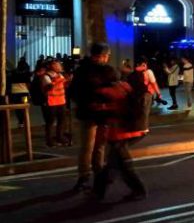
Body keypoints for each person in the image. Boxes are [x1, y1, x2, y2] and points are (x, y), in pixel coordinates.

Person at [69, 42, 118, 192]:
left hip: (91, 112)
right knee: (95, 147)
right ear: (102, 56)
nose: (107, 58)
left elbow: (73, 92)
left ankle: (90, 176)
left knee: (92, 147)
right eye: (107, 55)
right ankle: (90, 175)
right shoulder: (104, 71)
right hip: (97, 112)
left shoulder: (81, 70)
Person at [92, 73, 149, 201]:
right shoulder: (124, 87)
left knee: (124, 165)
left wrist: (100, 107)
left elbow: (108, 108)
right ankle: (98, 191)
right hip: (131, 130)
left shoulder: (107, 92)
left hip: (121, 132)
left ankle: (139, 190)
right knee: (113, 164)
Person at [41, 60, 68, 147]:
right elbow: (48, 87)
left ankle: (60, 137)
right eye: (58, 65)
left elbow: (64, 85)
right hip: (51, 102)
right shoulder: (46, 76)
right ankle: (49, 140)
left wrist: (67, 81)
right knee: (50, 122)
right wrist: (58, 80)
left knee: (61, 120)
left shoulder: (60, 75)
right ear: (52, 66)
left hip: (61, 101)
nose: (60, 67)